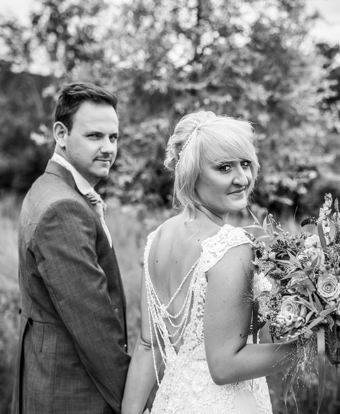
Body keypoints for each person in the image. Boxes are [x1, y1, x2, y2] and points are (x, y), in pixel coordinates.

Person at [121, 111, 297, 414]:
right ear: (192, 172)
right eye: (224, 167)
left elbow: (148, 345)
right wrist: (307, 349)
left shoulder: (157, 239)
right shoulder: (231, 245)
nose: (241, 178)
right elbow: (225, 366)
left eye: (245, 164)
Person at [12, 82, 131, 414]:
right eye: (94, 136)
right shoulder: (63, 208)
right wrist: (134, 402)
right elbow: (93, 325)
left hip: (50, 378)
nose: (108, 147)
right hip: (72, 392)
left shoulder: (48, 188)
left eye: (113, 137)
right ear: (61, 134)